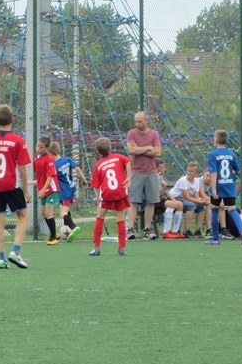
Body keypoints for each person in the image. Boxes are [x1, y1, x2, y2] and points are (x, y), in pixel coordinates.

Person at [0, 104, 31, 269]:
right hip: (11, 183)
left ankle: (1, 259)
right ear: (13, 120)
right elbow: (22, 168)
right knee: (23, 215)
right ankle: (15, 251)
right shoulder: (18, 140)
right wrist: (26, 190)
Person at [89, 136, 131, 256]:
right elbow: (128, 161)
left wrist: (99, 201)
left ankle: (96, 248)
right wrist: (129, 177)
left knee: (100, 216)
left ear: (97, 151)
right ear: (110, 147)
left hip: (107, 193)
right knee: (120, 219)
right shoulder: (118, 157)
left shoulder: (99, 165)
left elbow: (96, 186)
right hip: (120, 191)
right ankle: (122, 248)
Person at [205, 129, 242, 246]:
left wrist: (214, 189)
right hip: (229, 185)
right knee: (232, 210)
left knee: (214, 209)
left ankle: (216, 239)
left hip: (219, 185)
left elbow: (214, 172)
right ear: (226, 140)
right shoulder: (231, 154)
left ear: (215, 139)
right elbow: (237, 171)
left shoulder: (213, 155)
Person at [125, 110, 162, 240]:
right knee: (133, 201)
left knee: (151, 201)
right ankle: (130, 229)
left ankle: (147, 229)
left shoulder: (154, 134)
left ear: (146, 121)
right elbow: (131, 150)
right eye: (135, 121)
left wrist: (139, 149)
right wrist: (148, 148)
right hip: (136, 172)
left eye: (139, 121)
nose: (137, 124)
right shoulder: (131, 133)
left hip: (151, 172)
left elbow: (158, 152)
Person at [53, 140, 87, 242]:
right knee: (65, 209)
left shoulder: (54, 165)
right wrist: (84, 180)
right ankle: (68, 230)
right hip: (71, 187)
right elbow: (77, 169)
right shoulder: (67, 159)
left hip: (64, 191)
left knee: (62, 213)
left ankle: (73, 227)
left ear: (50, 154)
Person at [166, 162, 209, 237]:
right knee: (191, 205)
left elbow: (196, 196)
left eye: (192, 171)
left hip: (185, 199)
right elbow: (187, 197)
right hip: (176, 198)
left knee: (201, 207)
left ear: (196, 174)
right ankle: (186, 230)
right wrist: (200, 201)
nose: (189, 173)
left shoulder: (196, 181)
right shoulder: (183, 180)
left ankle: (197, 231)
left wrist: (203, 201)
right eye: (188, 171)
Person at [33, 136, 61, 245]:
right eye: (37, 146)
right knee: (44, 213)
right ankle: (55, 233)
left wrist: (43, 189)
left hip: (52, 189)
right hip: (43, 189)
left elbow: (50, 176)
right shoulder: (35, 158)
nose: (38, 149)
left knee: (48, 213)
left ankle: (53, 238)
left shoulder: (49, 159)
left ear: (47, 148)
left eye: (41, 147)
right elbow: (40, 176)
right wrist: (33, 184)